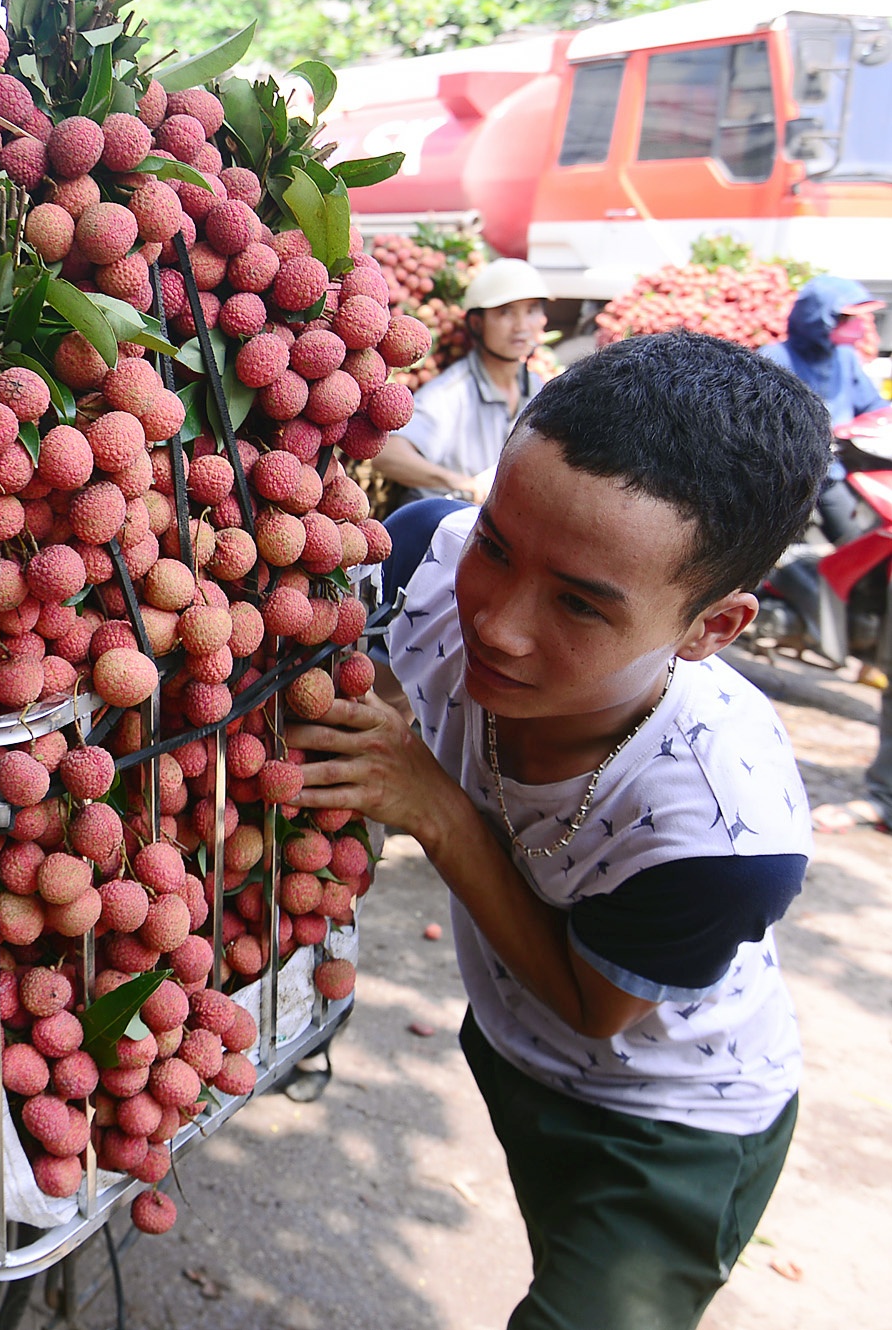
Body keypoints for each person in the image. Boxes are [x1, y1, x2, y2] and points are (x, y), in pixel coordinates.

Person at [288, 331, 824, 1330]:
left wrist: (439, 811)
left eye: (580, 602)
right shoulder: (421, 565)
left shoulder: (721, 837)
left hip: (674, 1122)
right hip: (508, 1045)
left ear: (713, 627)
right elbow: (381, 687)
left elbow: (592, 1005)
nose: (496, 620)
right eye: (496, 543)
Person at [373, 257, 551, 502]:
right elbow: (387, 452)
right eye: (506, 312)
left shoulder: (536, 387)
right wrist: (457, 482)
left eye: (531, 311)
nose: (521, 326)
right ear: (477, 323)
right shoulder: (451, 393)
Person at [758, 273, 885, 543]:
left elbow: (872, 405)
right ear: (819, 318)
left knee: (862, 536)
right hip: (794, 477)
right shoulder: (775, 359)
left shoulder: (845, 357)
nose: (855, 327)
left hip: (841, 467)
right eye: (846, 319)